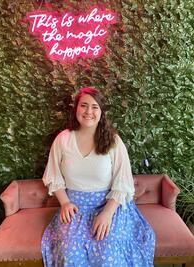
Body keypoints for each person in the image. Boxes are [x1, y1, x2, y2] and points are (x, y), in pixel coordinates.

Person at [41, 87, 155, 267]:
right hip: (75, 208)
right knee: (70, 253)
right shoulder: (63, 139)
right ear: (76, 109)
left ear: (101, 112)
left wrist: (108, 214)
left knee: (108, 252)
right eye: (83, 106)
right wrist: (64, 203)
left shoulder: (114, 141)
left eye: (95, 107)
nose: (88, 112)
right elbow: (54, 176)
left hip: (110, 206)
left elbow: (123, 183)